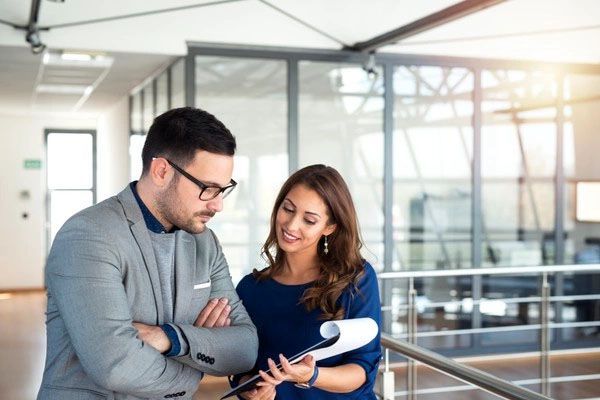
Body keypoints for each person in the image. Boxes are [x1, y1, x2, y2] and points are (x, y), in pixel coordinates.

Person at [37, 107, 258, 400]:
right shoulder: (88, 235)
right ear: (162, 171)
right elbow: (116, 365)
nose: (217, 205)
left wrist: (172, 339)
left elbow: (244, 348)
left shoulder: (205, 243)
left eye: (223, 190)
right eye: (208, 188)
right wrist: (194, 371)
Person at [234, 164, 381, 400]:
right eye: (288, 209)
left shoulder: (355, 279)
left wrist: (311, 376)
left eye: (309, 220)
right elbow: (241, 367)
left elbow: (362, 370)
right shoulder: (249, 289)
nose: (291, 225)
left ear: (330, 227)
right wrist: (250, 390)